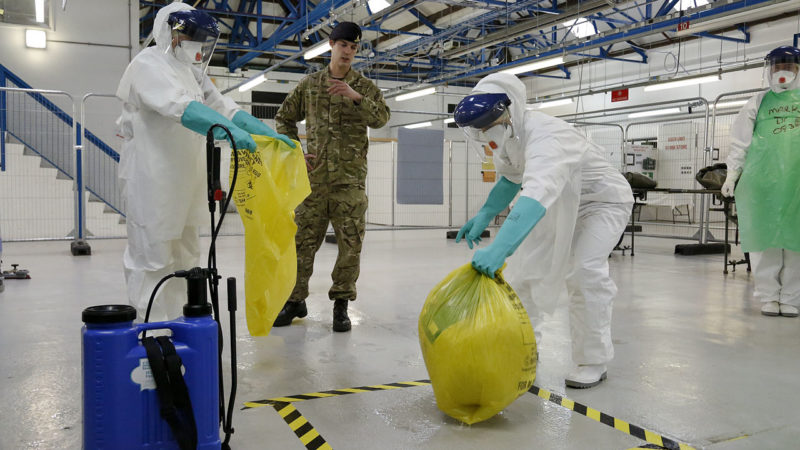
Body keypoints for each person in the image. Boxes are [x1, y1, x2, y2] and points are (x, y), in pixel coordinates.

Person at [116, 1, 294, 321]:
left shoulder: (193, 74)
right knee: (153, 260)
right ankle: (152, 336)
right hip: (151, 181)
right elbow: (181, 107)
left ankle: (182, 330)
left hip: (185, 182)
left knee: (186, 260)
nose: (199, 48)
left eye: (203, 40)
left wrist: (262, 132)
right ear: (172, 35)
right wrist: (227, 131)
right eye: (193, 38)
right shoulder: (148, 64)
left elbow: (223, 107)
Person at [454, 73, 633, 388]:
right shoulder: (509, 136)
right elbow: (511, 179)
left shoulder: (546, 135)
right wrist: (485, 214)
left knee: (584, 271)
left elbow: (535, 193)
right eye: (480, 128)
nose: (485, 133)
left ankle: (593, 360)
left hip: (599, 203)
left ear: (508, 110)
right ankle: (524, 351)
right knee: (525, 276)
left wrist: (500, 248)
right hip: (558, 202)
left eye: (487, 124)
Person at [273, 21, 390, 332]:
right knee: (302, 244)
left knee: (350, 246)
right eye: (344, 45)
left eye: (353, 47)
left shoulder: (363, 87)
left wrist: (355, 96)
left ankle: (341, 305)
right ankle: (296, 300)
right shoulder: (310, 86)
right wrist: (295, 151)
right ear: (331, 45)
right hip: (313, 183)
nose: (349, 52)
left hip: (349, 184)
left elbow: (381, 118)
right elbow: (284, 119)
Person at [722, 45, 800, 318]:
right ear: (769, 70)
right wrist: (732, 173)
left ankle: (791, 297)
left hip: (797, 184)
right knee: (765, 240)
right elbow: (740, 142)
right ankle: (769, 296)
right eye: (777, 67)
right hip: (763, 183)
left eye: (788, 67)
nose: (782, 72)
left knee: (796, 243)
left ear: (798, 70)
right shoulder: (757, 102)